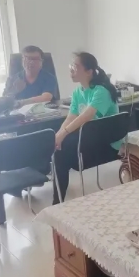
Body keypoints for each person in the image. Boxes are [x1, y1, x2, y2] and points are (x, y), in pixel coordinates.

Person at [52, 52, 120, 204]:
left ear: (89, 71)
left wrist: (63, 135)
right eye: (71, 66)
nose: (71, 70)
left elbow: (86, 116)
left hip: (107, 145)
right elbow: (71, 117)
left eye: (76, 66)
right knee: (59, 149)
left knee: (62, 151)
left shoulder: (101, 91)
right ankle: (57, 201)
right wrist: (58, 135)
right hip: (91, 139)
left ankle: (57, 202)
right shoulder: (78, 92)